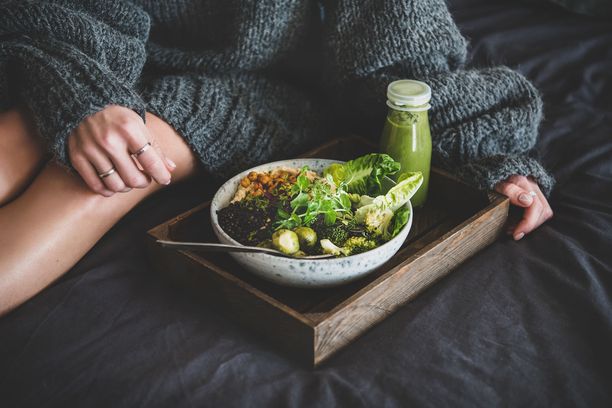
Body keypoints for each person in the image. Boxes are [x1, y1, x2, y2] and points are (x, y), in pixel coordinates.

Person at [0, 0, 553, 315]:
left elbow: (405, 70)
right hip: (98, 50)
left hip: (271, 90)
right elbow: (60, 15)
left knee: (104, 172)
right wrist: (80, 95)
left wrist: (488, 158)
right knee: (22, 130)